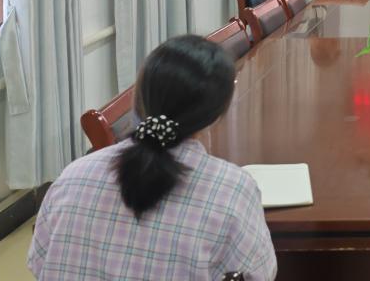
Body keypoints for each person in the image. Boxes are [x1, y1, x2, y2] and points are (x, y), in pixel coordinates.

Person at [28, 36, 277, 280]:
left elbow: (40, 262)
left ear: (139, 98)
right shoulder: (232, 189)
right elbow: (259, 274)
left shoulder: (73, 176)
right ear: (216, 115)